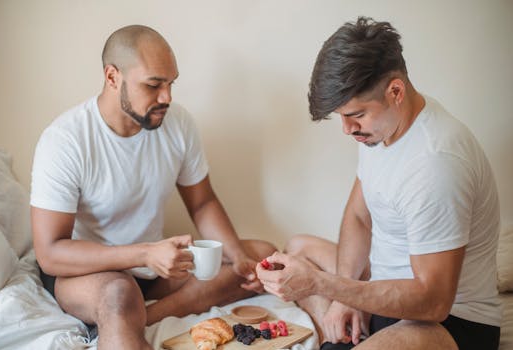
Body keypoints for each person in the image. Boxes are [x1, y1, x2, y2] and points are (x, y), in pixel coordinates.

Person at [256, 17, 501, 350]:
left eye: (355, 115)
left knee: (314, 281)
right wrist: (347, 293)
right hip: (387, 290)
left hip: (449, 321)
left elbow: (433, 301)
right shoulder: (382, 129)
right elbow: (359, 216)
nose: (346, 129)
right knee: (298, 248)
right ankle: (340, 327)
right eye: (341, 116)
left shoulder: (436, 164)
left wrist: (327, 287)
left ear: (395, 91)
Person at [30, 24, 276, 350]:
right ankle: (123, 315)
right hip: (87, 274)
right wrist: (145, 253)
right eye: (153, 85)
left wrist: (238, 256)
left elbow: (202, 203)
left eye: (171, 83)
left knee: (263, 255)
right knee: (120, 294)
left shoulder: (179, 125)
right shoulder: (65, 140)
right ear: (112, 77)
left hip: (153, 269)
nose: (167, 97)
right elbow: (50, 253)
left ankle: (150, 314)